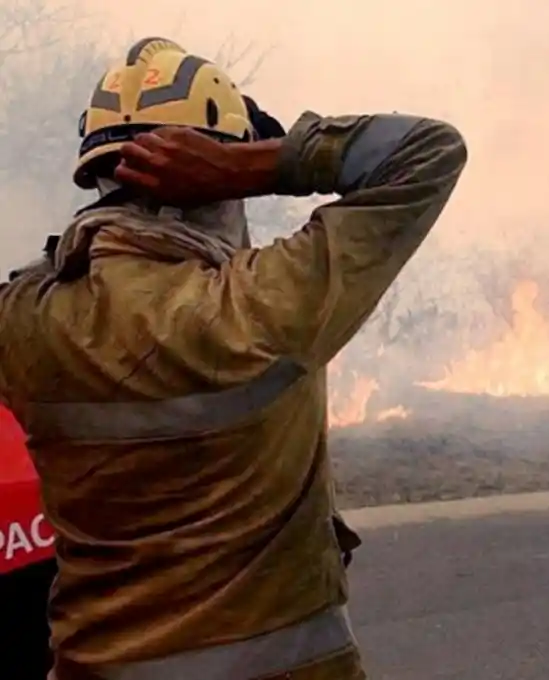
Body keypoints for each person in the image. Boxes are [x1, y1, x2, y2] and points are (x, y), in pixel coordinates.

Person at [0, 36, 467, 679]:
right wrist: (263, 166)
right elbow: (429, 151)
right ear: (212, 182)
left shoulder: (24, 319)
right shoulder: (262, 305)